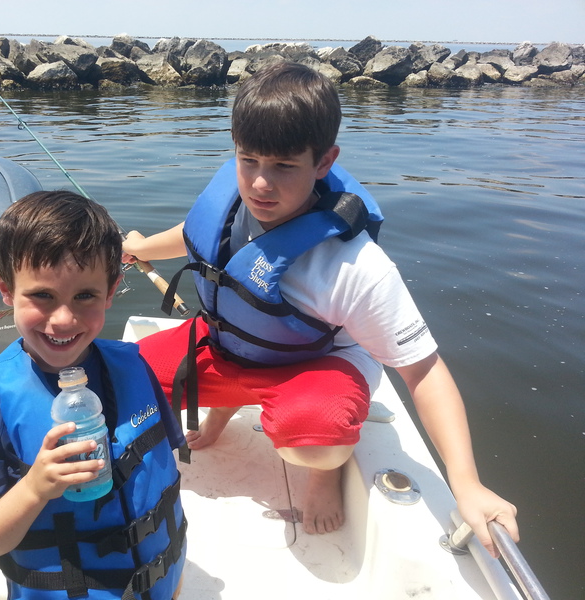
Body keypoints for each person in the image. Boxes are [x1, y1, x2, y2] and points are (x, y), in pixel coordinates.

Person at [122, 60, 518, 557]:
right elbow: (194, 235)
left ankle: (326, 472)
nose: (261, 183)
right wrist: (139, 248)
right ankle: (225, 405)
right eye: (249, 160)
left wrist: (467, 485)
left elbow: (423, 370)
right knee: (122, 381)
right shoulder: (234, 204)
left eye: (285, 166)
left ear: (324, 162)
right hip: (227, 346)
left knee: (314, 440)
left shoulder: (354, 265)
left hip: (310, 364)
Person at [0, 191, 186, 600]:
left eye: (85, 296)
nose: (63, 319)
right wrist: (34, 488)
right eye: (42, 295)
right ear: (4, 287)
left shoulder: (133, 365)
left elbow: (159, 467)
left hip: (165, 582)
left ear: (111, 290)